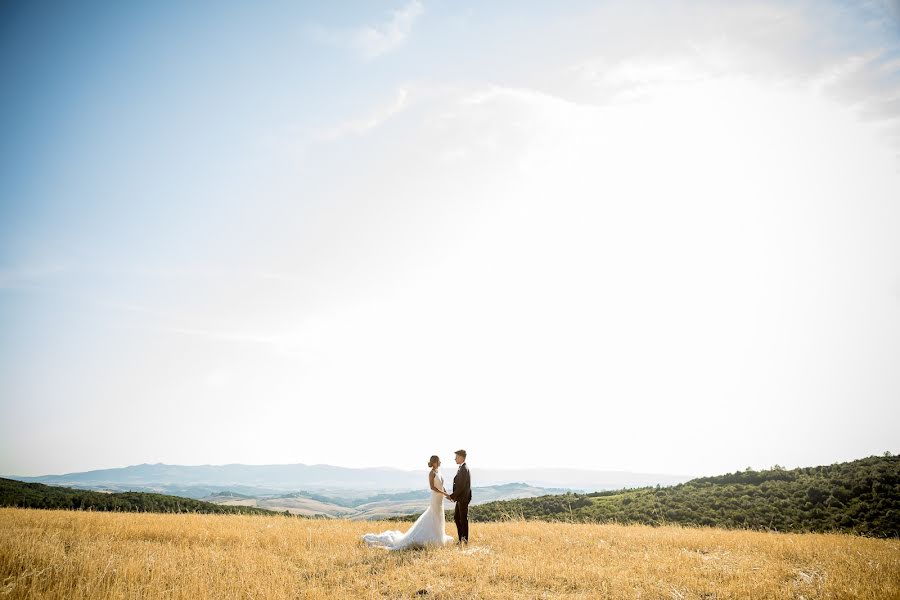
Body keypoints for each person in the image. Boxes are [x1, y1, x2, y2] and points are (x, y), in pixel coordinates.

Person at [361, 455, 454, 550]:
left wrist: (447, 495)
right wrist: (445, 494)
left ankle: (438, 536)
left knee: (439, 516)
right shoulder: (431, 473)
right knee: (433, 515)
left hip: (440, 499)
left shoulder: (439, 472)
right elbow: (432, 487)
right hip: (435, 498)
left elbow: (441, 486)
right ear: (435, 462)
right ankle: (430, 537)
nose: (440, 462)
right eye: (439, 461)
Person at [447, 449, 471, 544]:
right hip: (460, 498)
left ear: (461, 457)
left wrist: (452, 496)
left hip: (463, 499)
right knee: (457, 518)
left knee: (463, 520)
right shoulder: (461, 468)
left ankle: (464, 541)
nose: (455, 459)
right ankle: (461, 539)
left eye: (456, 457)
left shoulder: (464, 469)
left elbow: (461, 487)